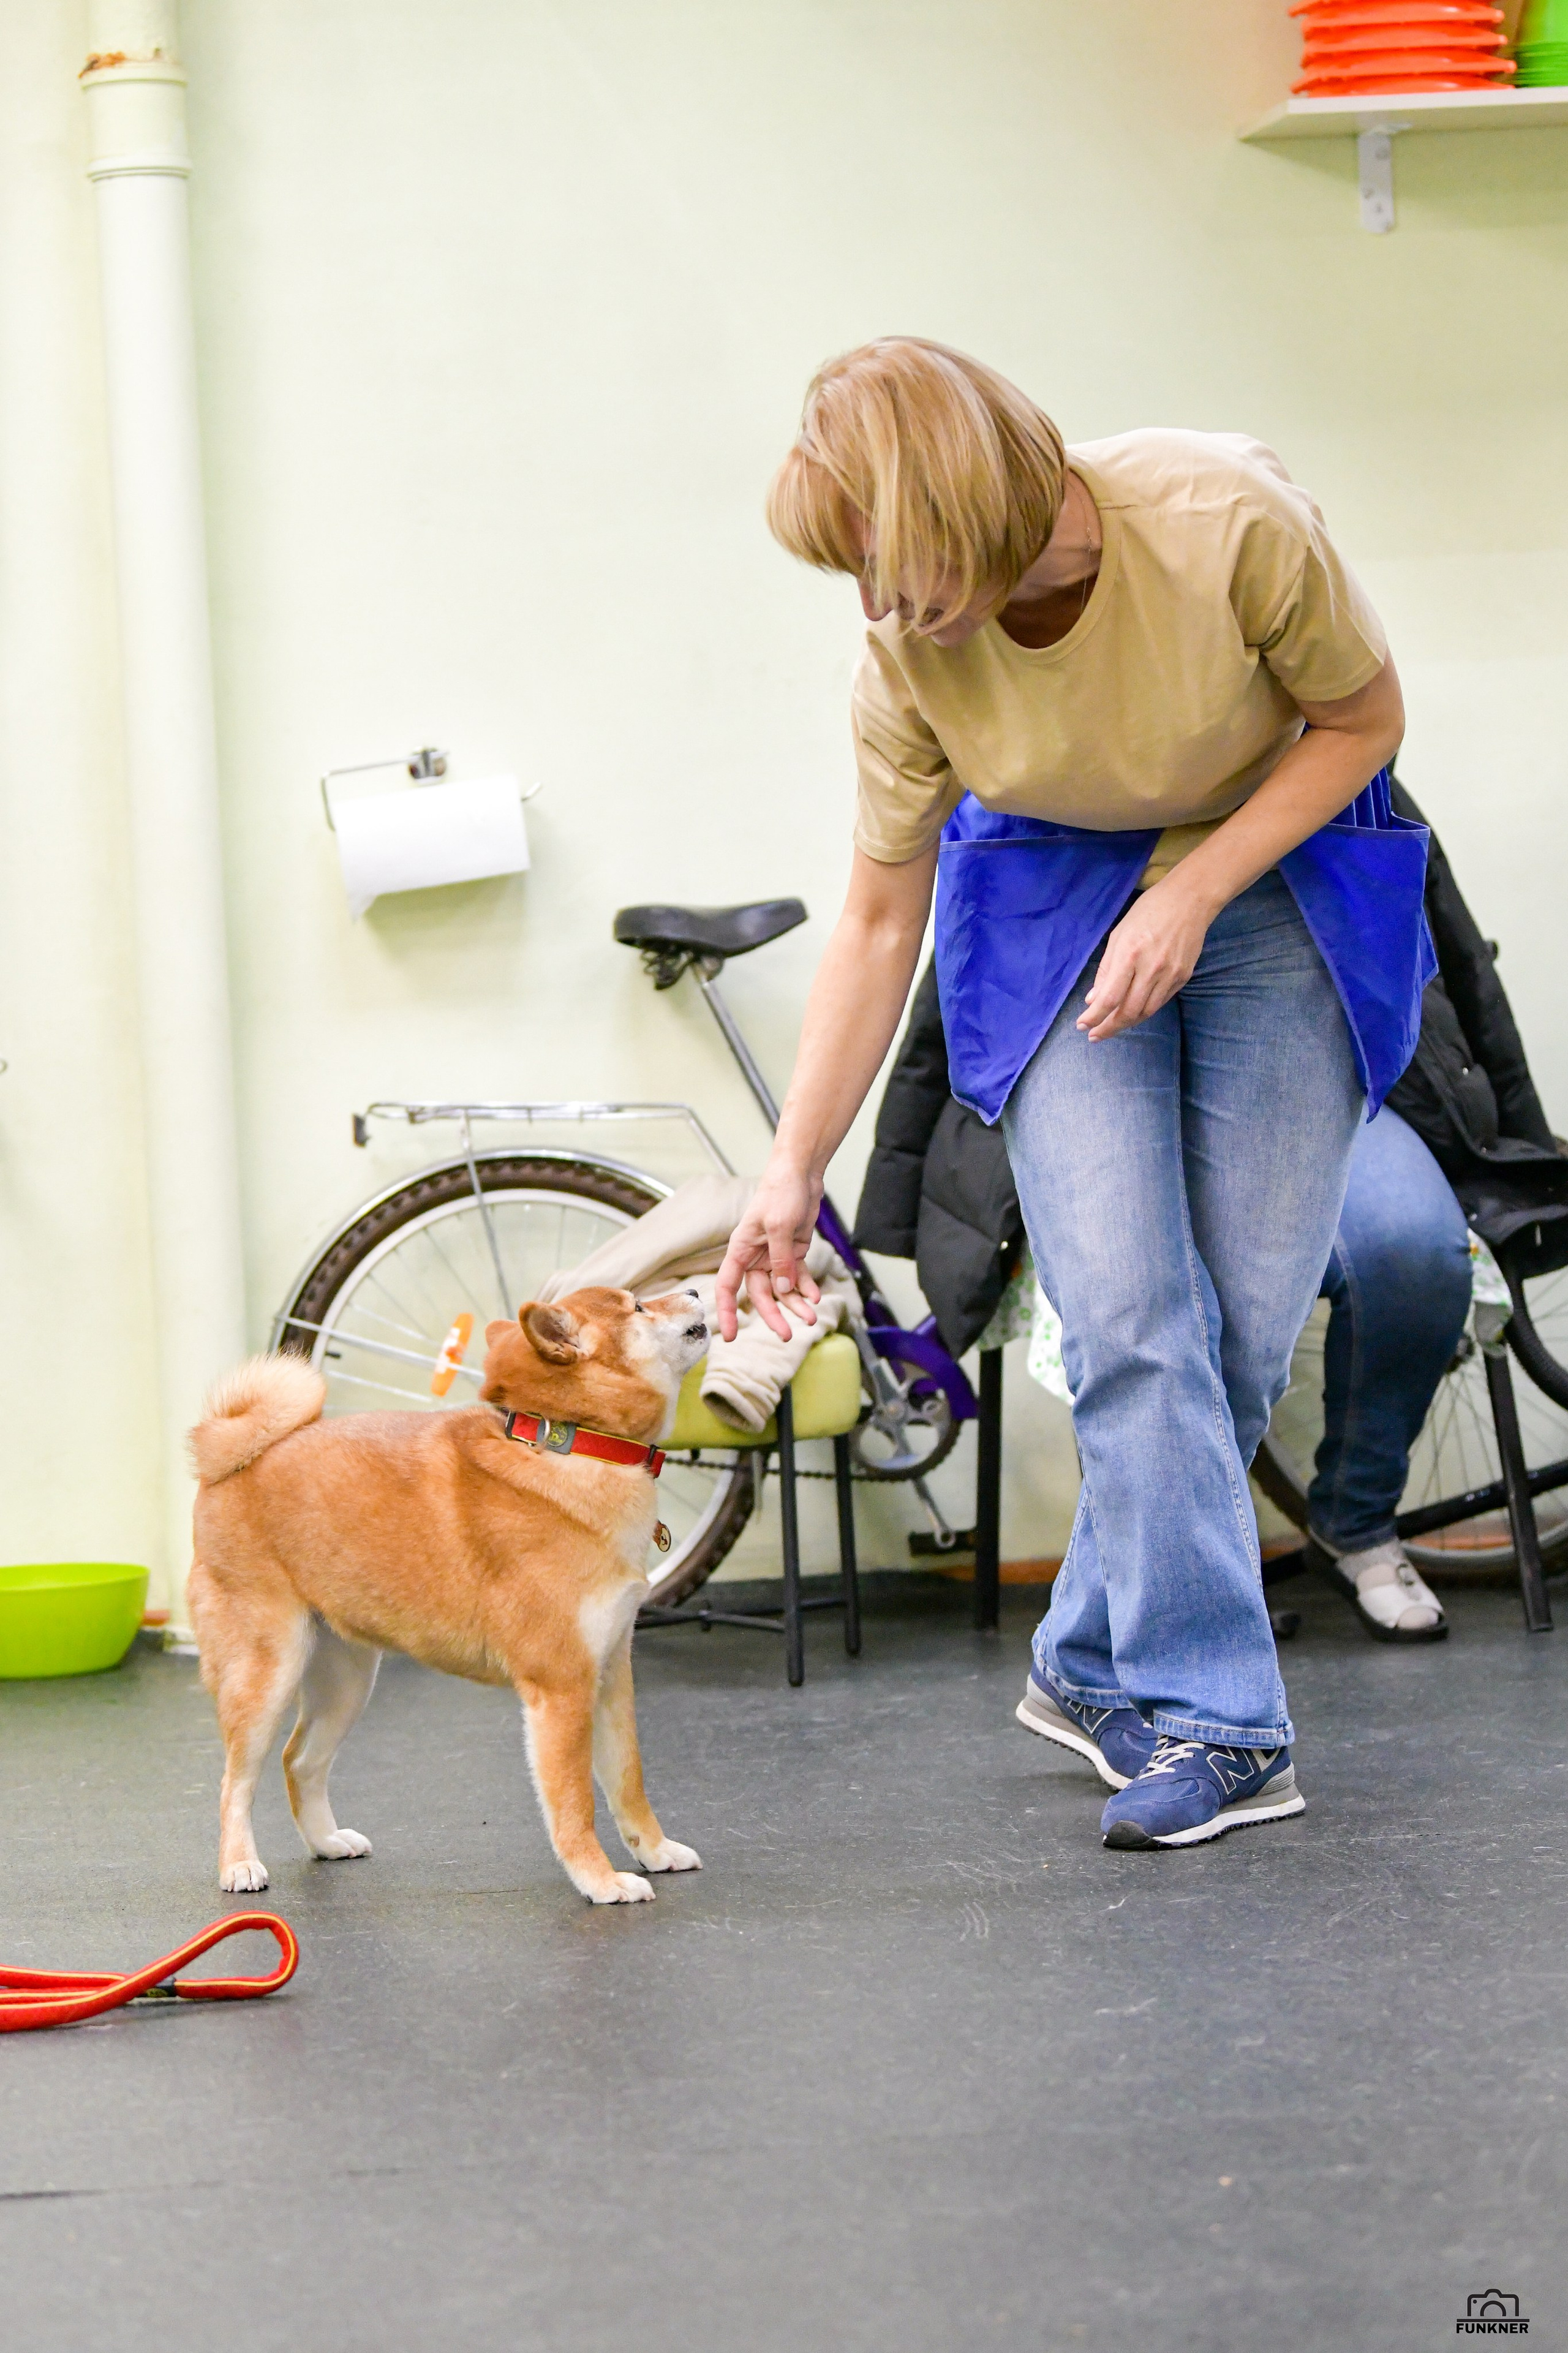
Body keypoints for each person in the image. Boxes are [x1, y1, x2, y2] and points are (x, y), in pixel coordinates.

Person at [715, 336, 1427, 1852]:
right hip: (1045, 904)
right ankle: (1220, 1721)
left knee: (1234, 1339)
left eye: (881, 559)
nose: (871, 605)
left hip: (1280, 878)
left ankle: (1086, 1654)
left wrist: (1195, 889)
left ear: (963, 507)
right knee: (1124, 1319)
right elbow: (876, 919)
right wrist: (790, 1167)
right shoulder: (905, 657)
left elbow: (1361, 722)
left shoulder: (1221, 521)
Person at [848, 761, 1564, 1644]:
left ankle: (1351, 1519)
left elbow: (1444, 934)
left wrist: (1512, 1129)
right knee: (1137, 1313)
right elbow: (946, 959)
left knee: (1414, 1253)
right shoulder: (1026, 762)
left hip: (1305, 1043)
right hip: (1105, 1040)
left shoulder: (1309, 738)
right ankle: (1175, 1593)